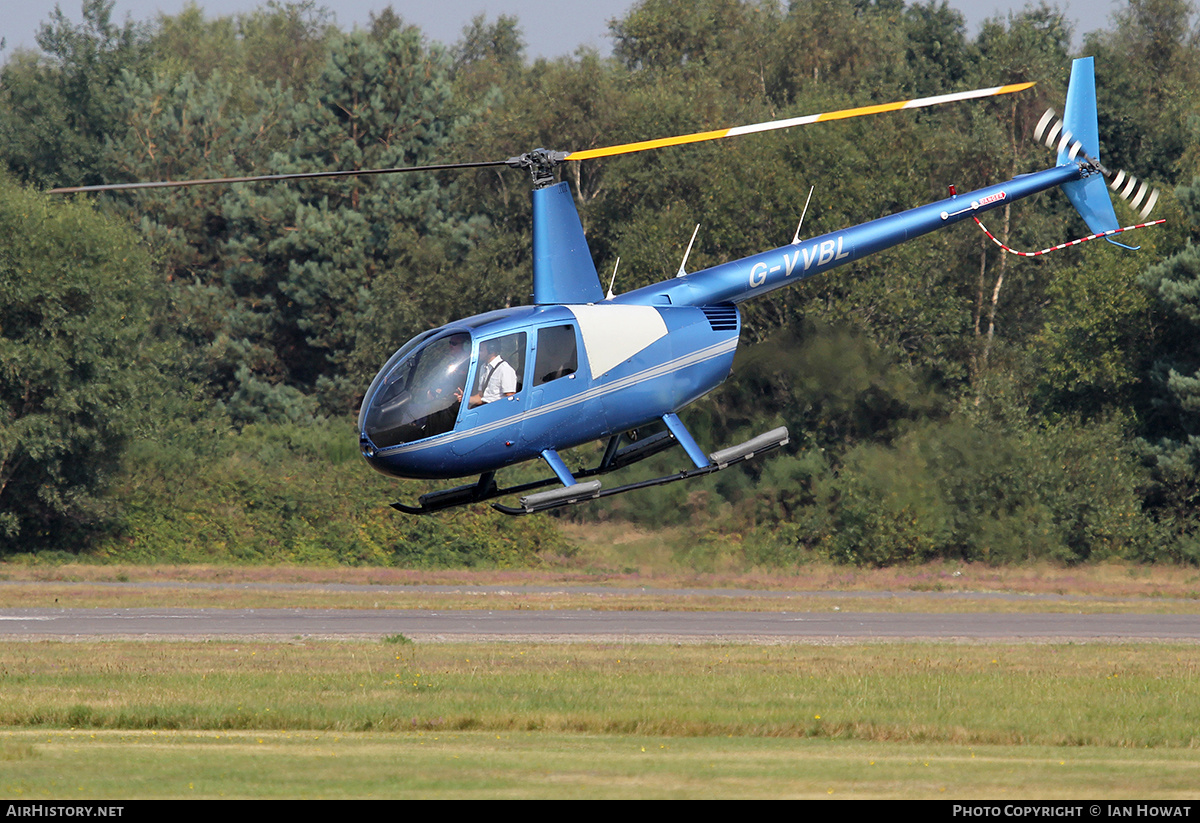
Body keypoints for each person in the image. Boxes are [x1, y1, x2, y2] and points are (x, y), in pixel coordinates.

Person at [469, 338, 517, 407]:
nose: (478, 352)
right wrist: (464, 399)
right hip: (484, 407)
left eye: (481, 350)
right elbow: (481, 396)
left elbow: (511, 398)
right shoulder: (483, 367)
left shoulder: (504, 369)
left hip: (496, 409)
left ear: (491, 350)